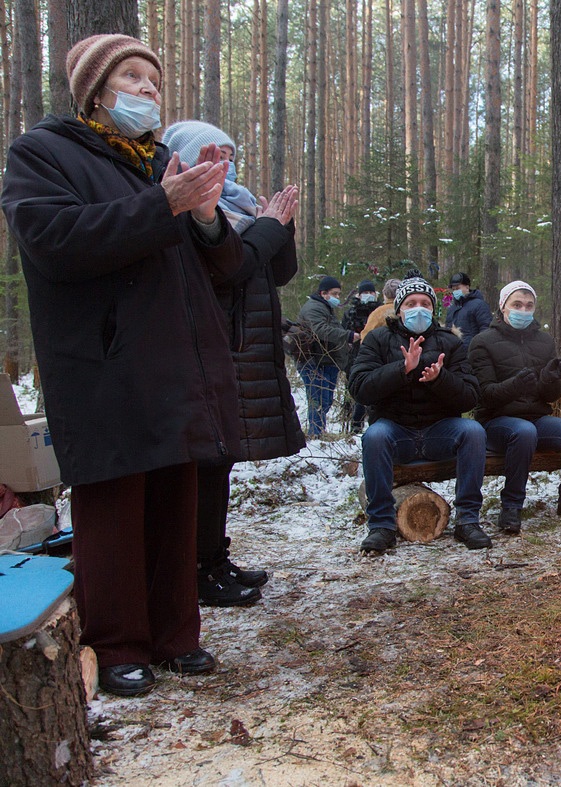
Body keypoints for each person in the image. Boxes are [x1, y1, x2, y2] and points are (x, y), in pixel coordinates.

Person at [1, 34, 243, 697]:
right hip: (103, 367)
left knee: (173, 506)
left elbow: (222, 269)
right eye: (131, 78)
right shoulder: (42, 154)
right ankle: (114, 645)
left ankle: (175, 635)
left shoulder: (159, 161)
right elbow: (54, 242)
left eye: (154, 82)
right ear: (96, 89)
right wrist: (159, 206)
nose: (147, 91)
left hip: (175, 367)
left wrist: (206, 218)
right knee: (113, 512)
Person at [163, 120, 306, 607]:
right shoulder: (184, 210)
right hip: (212, 349)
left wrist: (280, 229)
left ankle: (215, 558)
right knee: (204, 464)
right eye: (213, 153)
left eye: (230, 153)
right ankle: (197, 569)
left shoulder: (242, 205)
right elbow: (233, 268)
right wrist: (268, 228)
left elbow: (280, 272)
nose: (225, 163)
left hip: (249, 352)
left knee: (220, 464)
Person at [349, 277, 491, 555]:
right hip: (395, 431)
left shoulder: (449, 343)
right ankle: (381, 525)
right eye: (411, 303)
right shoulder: (378, 339)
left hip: (439, 431)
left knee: (473, 431)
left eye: (425, 304)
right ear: (399, 308)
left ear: (434, 309)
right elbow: (360, 388)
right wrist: (401, 369)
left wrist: (440, 379)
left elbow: (471, 397)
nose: (419, 309)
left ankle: (468, 519)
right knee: (374, 435)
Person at [469, 281, 561, 534]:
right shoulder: (482, 342)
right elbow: (483, 396)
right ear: (503, 307)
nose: (523, 310)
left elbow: (551, 396)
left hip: (536, 418)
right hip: (496, 422)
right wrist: (515, 385)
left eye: (529, 305)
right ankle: (511, 506)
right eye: (517, 304)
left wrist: (550, 380)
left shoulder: (544, 341)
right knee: (523, 432)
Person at [297, 275, 357, 437]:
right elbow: (321, 330)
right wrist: (348, 336)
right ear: (324, 293)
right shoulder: (314, 308)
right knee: (318, 399)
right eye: (335, 294)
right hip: (313, 361)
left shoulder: (324, 308)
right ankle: (315, 434)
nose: (338, 298)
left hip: (325, 361)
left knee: (324, 400)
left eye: (339, 294)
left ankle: (319, 432)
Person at [341, 279, 382, 433]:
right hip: (353, 357)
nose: (369, 295)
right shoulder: (350, 312)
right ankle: (351, 425)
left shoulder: (379, 311)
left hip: (375, 357)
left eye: (371, 292)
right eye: (365, 292)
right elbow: (343, 333)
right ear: (359, 294)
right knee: (352, 392)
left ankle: (369, 424)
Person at [445, 271, 492, 347]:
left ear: (467, 287)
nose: (455, 291)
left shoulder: (479, 305)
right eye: (453, 289)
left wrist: (479, 348)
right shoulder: (451, 309)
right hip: (455, 353)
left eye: (458, 288)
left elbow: (486, 328)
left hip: (473, 352)